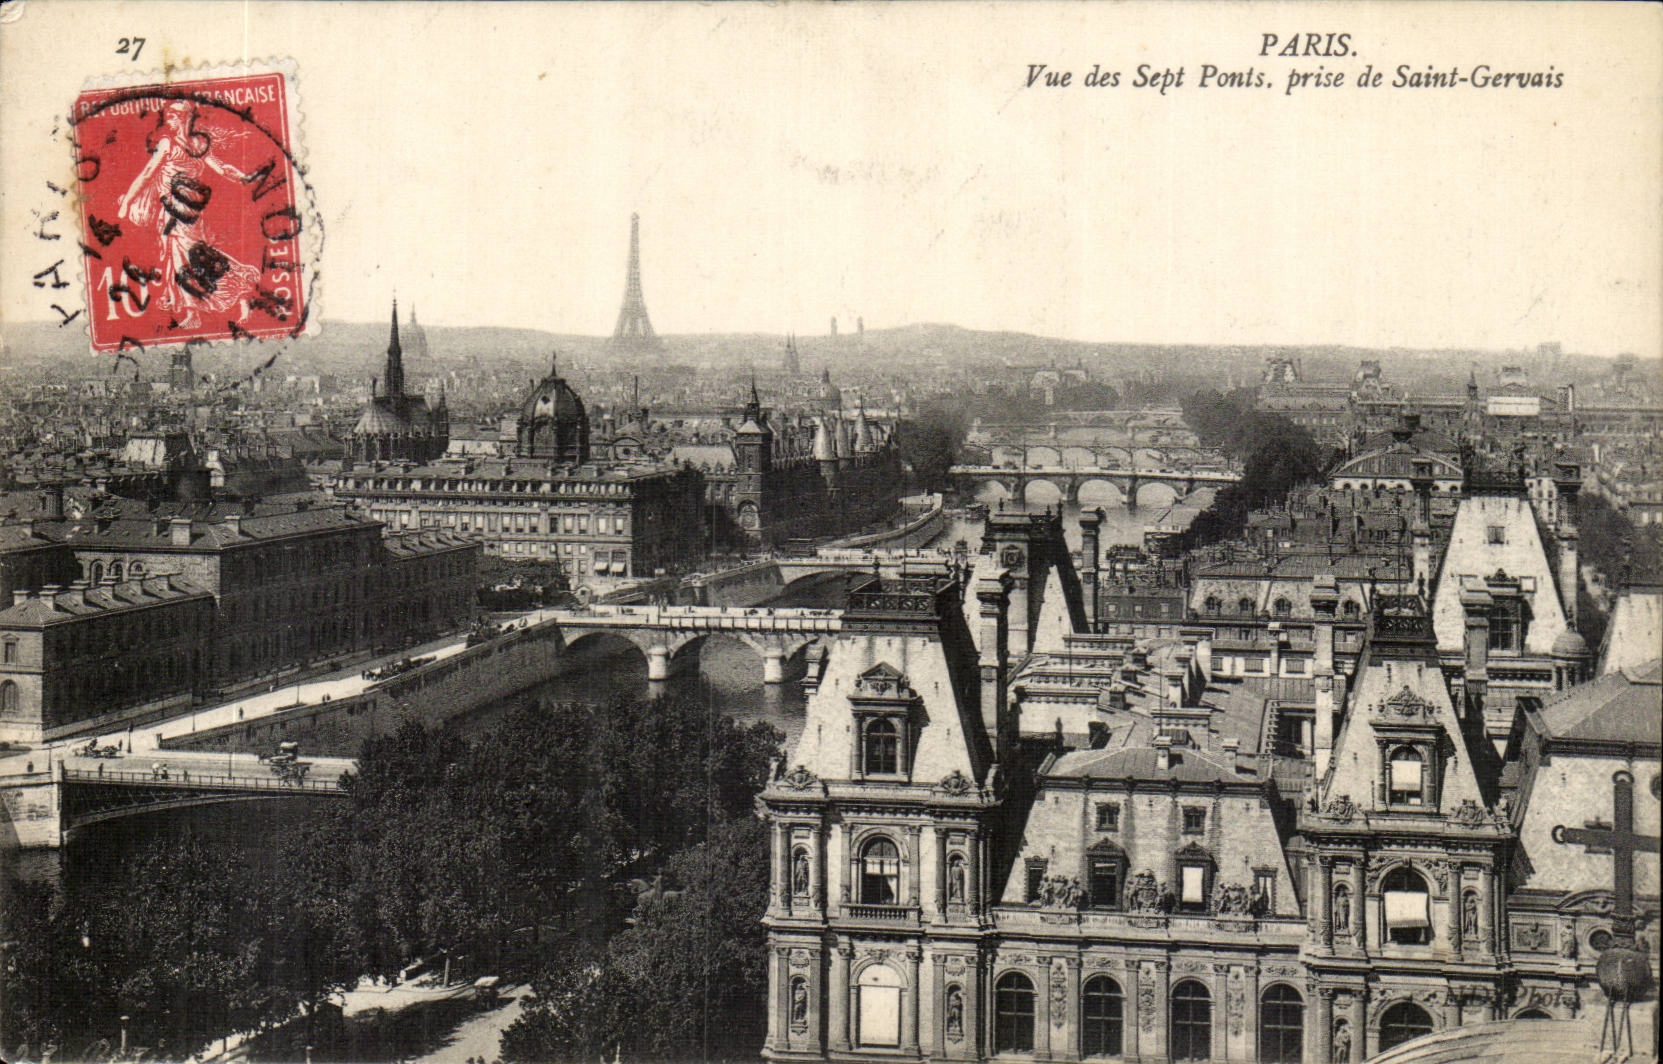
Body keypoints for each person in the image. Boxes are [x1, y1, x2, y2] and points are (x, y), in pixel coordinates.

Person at [116, 101, 261, 328]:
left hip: (181, 214)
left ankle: (201, 309)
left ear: (183, 118)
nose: (169, 122)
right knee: (189, 258)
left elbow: (147, 174)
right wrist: (241, 176)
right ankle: (233, 293)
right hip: (182, 213)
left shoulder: (174, 144)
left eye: (172, 118)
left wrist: (127, 200)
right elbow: (221, 167)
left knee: (185, 259)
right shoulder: (196, 144)